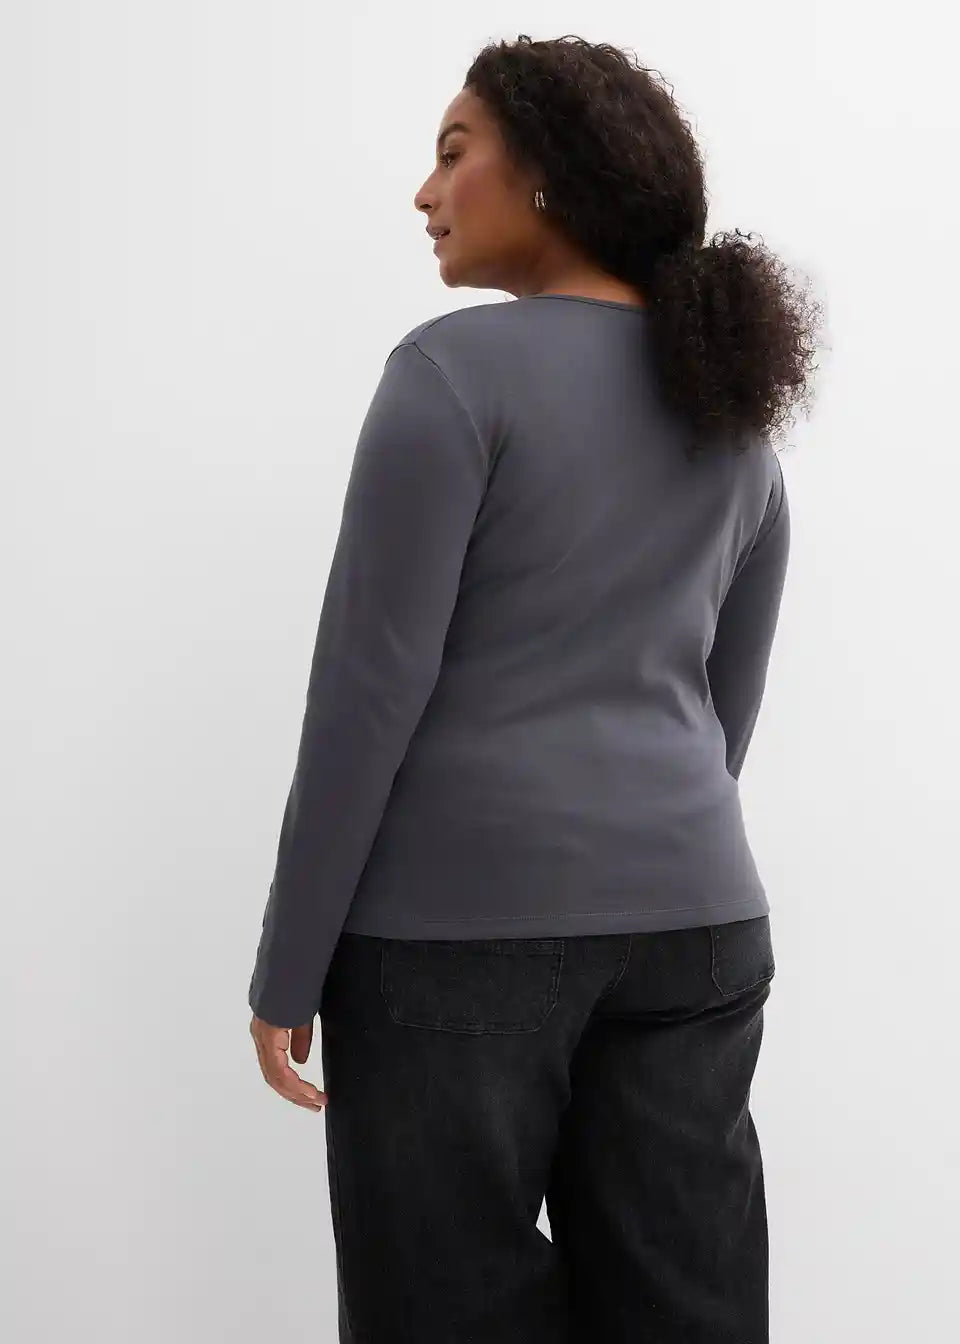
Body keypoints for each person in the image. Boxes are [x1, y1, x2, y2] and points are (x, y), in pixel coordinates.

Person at [247, 33, 823, 1344]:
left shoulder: (450, 374)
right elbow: (721, 711)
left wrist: (289, 967)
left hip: (450, 947)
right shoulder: (734, 414)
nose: (425, 192)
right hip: (696, 929)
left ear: (548, 174)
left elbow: (367, 693)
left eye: (453, 153)